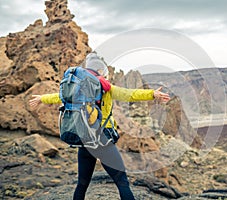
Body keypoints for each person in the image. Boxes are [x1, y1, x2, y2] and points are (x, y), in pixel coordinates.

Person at [29, 52, 170, 200]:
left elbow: (58, 96)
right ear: (101, 71)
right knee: (122, 182)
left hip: (85, 140)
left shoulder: (78, 87)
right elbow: (130, 94)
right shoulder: (105, 87)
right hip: (102, 141)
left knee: (82, 184)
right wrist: (152, 94)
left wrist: (41, 98)